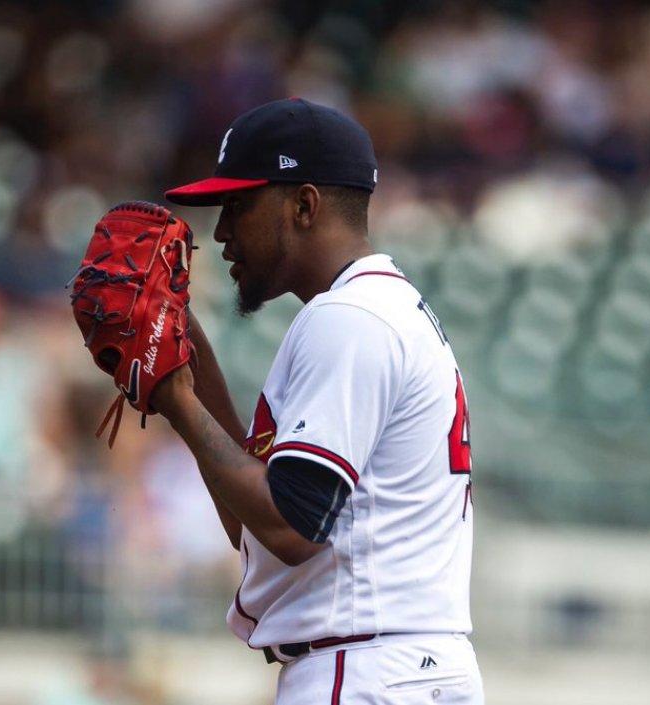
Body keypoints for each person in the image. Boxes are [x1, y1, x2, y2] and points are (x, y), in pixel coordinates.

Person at [152, 98, 483, 704]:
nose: (221, 232)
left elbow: (292, 526)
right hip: (403, 664)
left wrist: (177, 404)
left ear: (304, 205)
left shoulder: (348, 319)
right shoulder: (380, 308)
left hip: (362, 669)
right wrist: (190, 361)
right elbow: (256, 512)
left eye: (239, 205)